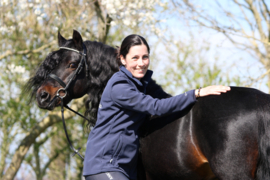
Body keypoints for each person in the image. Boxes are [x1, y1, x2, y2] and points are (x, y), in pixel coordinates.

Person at [83, 35, 230, 180]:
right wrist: (196, 93)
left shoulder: (139, 85)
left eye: (145, 57)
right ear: (122, 59)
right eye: (135, 58)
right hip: (104, 165)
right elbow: (156, 106)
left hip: (124, 168)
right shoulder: (119, 87)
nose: (141, 63)